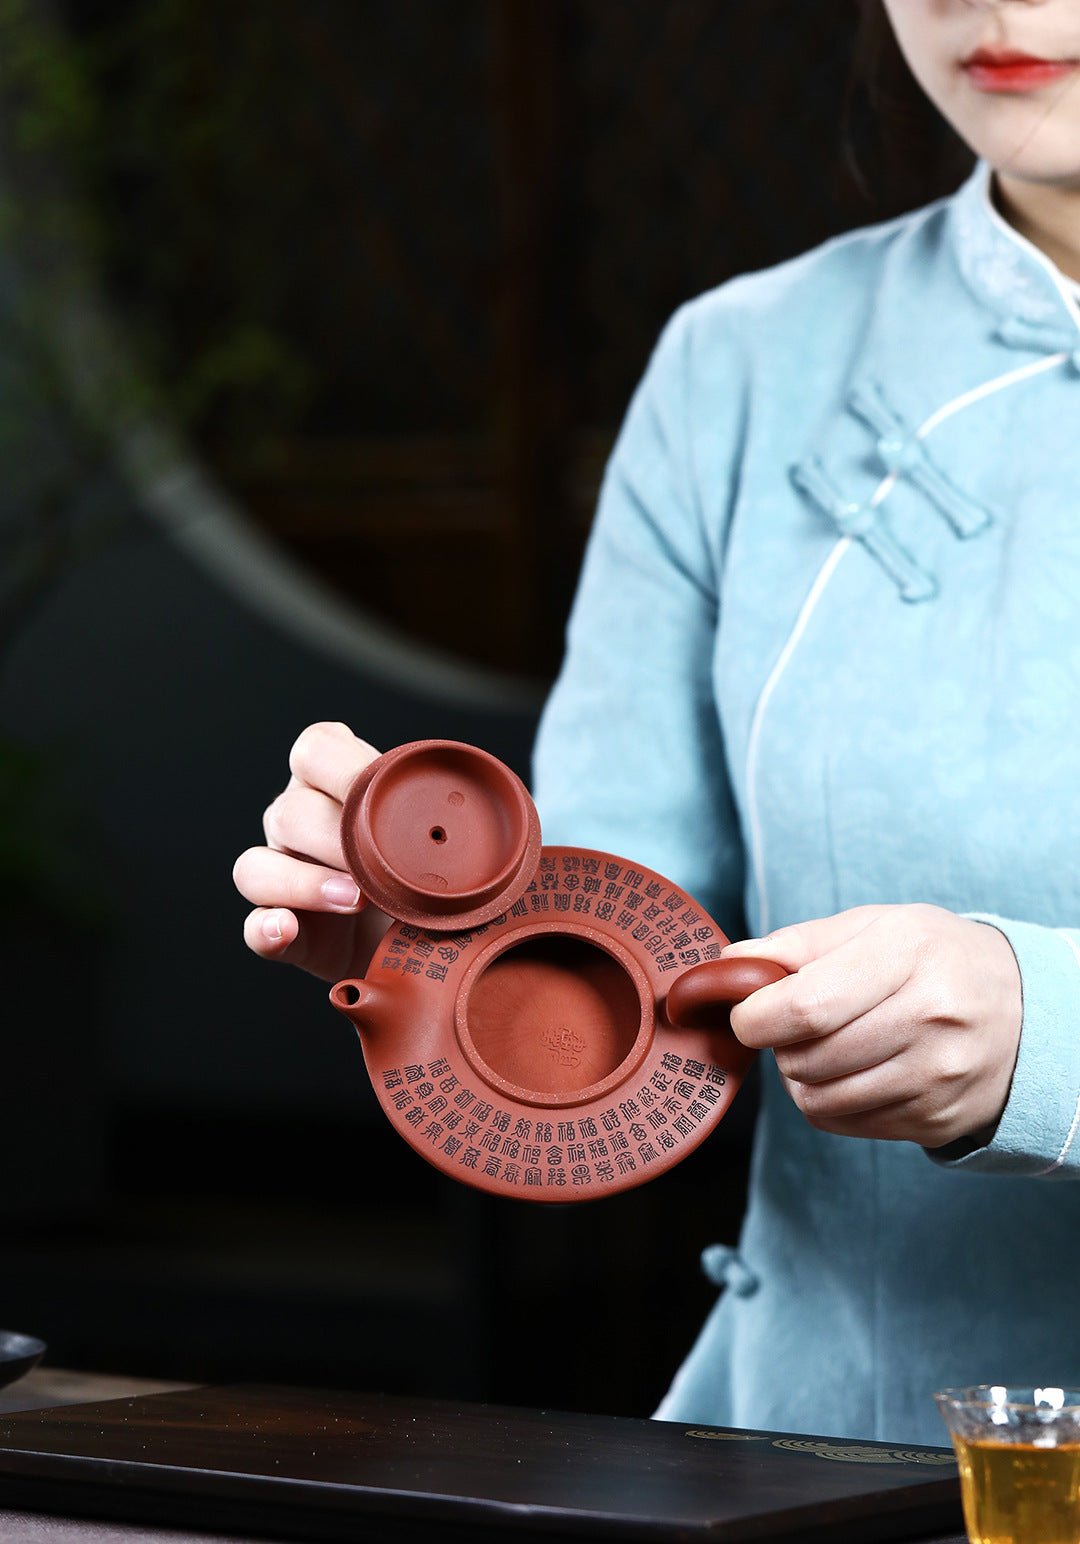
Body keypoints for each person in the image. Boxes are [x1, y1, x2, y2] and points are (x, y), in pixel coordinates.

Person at [233, 0, 1080, 1446]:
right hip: (817, 1473)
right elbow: (623, 959)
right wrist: (444, 942)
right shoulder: (744, 368)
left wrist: (1048, 1039)